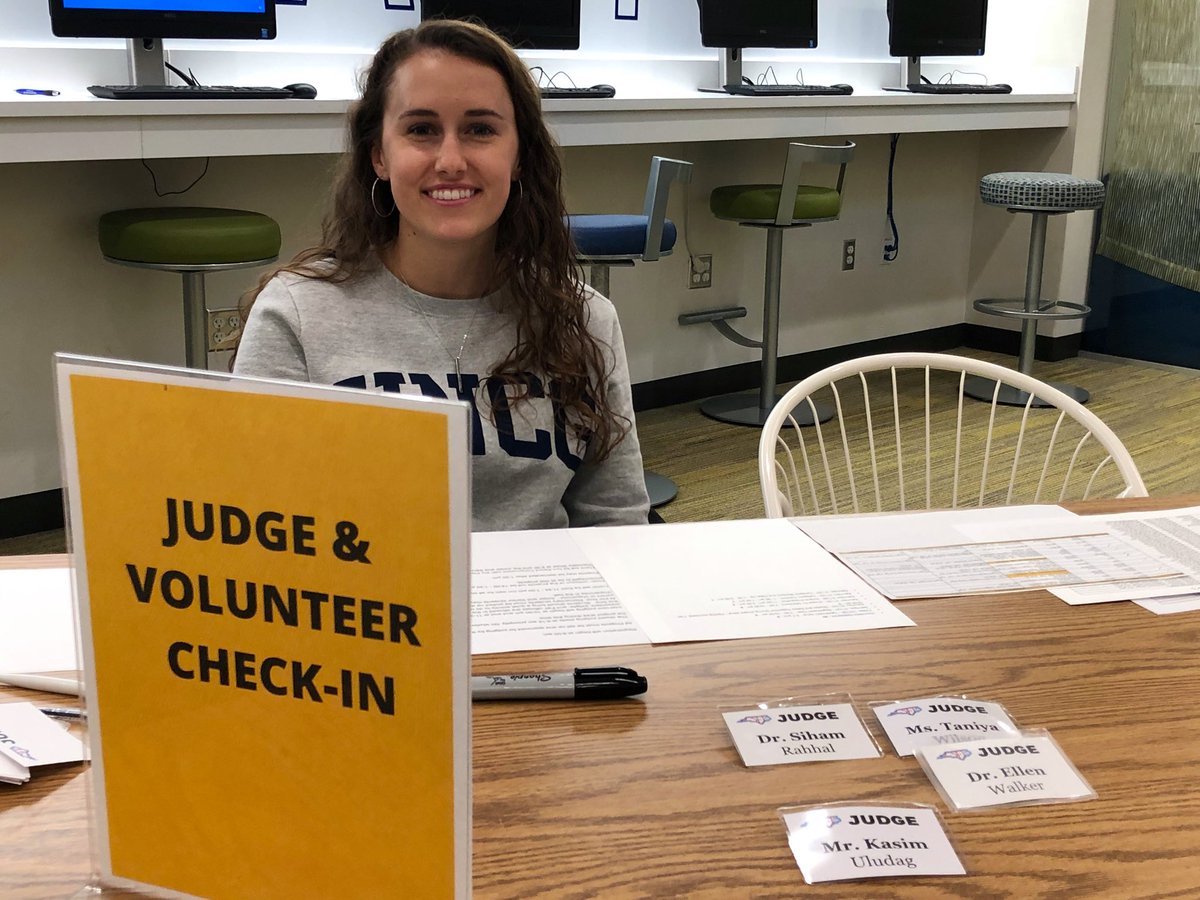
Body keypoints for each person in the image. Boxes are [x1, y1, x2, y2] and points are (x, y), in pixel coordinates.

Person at [234, 18, 651, 532]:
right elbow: (259, 529)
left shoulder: (584, 318)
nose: (451, 160)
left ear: (519, 156)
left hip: (541, 605)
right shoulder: (297, 314)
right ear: (380, 157)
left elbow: (615, 518)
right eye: (421, 130)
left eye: (480, 129)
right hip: (376, 607)